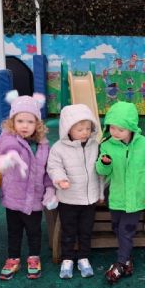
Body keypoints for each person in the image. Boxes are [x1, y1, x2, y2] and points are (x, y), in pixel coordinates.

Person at [0, 91, 55, 281]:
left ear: (37, 124)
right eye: (20, 121)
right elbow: (7, 147)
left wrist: (50, 189)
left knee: (34, 231)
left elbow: (46, 171)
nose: (24, 125)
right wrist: (11, 156)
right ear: (12, 122)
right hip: (14, 197)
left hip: (34, 199)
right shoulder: (8, 138)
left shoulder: (43, 145)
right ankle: (13, 258)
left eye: (30, 122)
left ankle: (34, 258)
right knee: (14, 231)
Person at [96, 101, 145, 284]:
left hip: (136, 197)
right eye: (112, 127)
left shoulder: (143, 144)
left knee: (126, 231)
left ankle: (120, 263)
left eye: (120, 129)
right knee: (116, 228)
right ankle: (128, 260)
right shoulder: (107, 145)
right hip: (117, 197)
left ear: (131, 128)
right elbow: (102, 171)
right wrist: (104, 163)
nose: (115, 132)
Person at [47, 104, 104, 279]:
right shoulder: (58, 148)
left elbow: (100, 172)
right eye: (80, 129)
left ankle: (84, 258)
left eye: (88, 128)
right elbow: (54, 167)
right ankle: (67, 259)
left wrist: (101, 194)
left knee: (86, 231)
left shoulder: (95, 145)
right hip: (69, 199)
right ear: (68, 129)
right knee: (68, 231)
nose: (85, 132)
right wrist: (60, 179)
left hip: (89, 199)